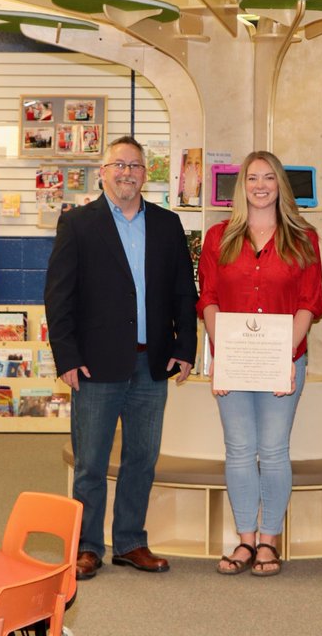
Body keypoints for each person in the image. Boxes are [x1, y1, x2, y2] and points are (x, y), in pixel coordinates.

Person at [44, 135, 198, 580]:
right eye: (118, 165)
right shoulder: (78, 225)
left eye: (135, 165)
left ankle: (130, 541)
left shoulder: (168, 225)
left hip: (153, 364)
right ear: (102, 173)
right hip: (95, 365)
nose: (127, 172)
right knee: (90, 461)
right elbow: (59, 296)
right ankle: (87, 546)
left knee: (142, 459)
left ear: (145, 173)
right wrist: (67, 357)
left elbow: (183, 295)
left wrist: (184, 348)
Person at [196, 151, 322, 577]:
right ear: (242, 186)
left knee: (272, 451)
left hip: (284, 360)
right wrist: (223, 352)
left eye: (270, 177)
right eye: (253, 178)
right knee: (237, 450)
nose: (261, 185)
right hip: (233, 360)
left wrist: (285, 355)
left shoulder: (304, 238)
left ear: (280, 186)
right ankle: (244, 540)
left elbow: (309, 303)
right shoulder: (218, 237)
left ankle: (269, 541)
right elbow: (209, 298)